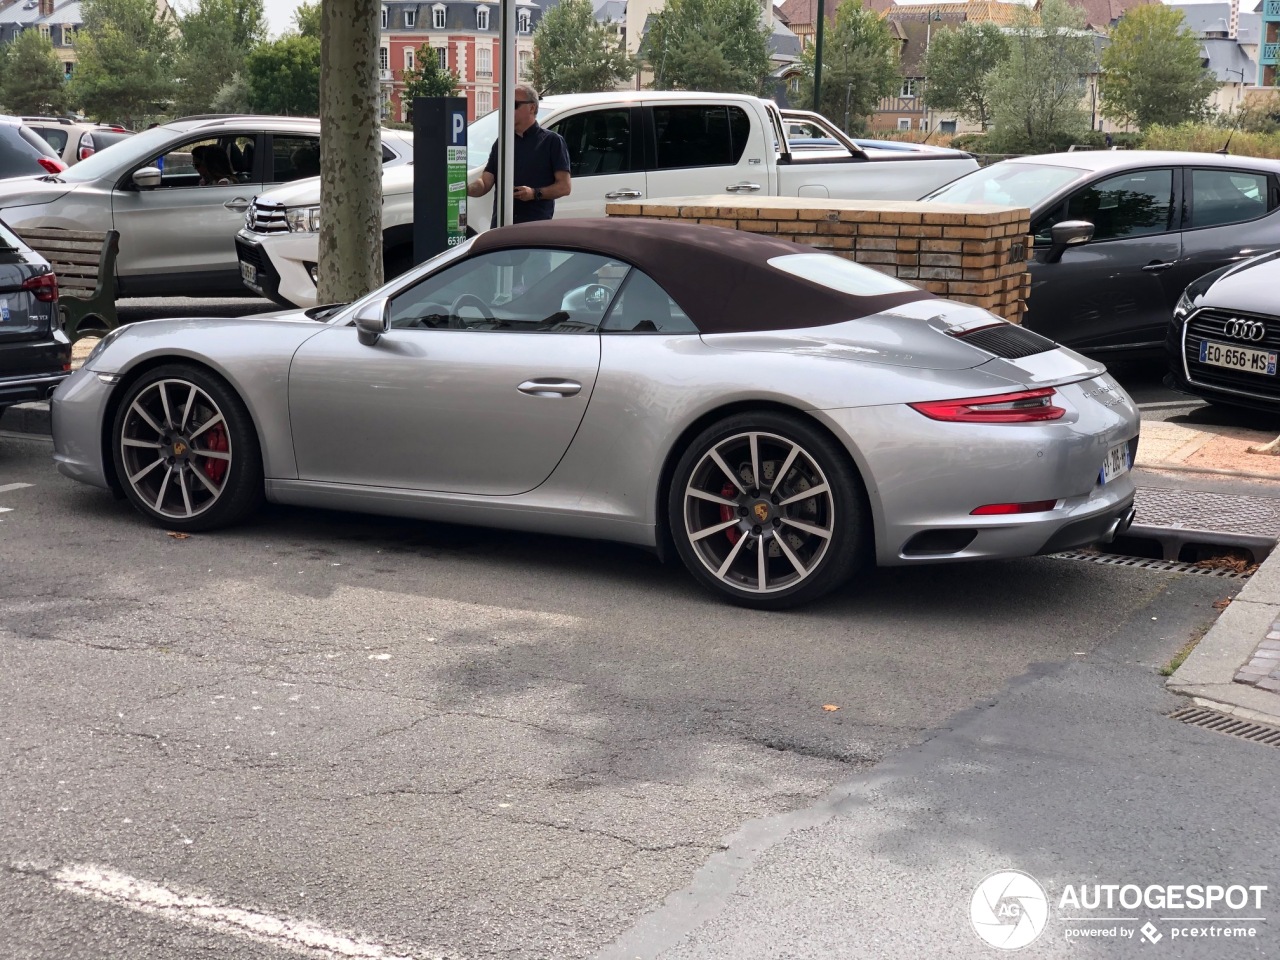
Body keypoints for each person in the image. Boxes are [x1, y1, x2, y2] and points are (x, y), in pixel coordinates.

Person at [467, 84, 570, 226]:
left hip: (533, 228)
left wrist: (534, 193)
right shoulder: (502, 142)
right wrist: (464, 189)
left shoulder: (552, 142)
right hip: (501, 227)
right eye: (506, 104)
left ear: (532, 108)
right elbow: (485, 182)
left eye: (514, 104)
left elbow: (565, 186)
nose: (508, 109)